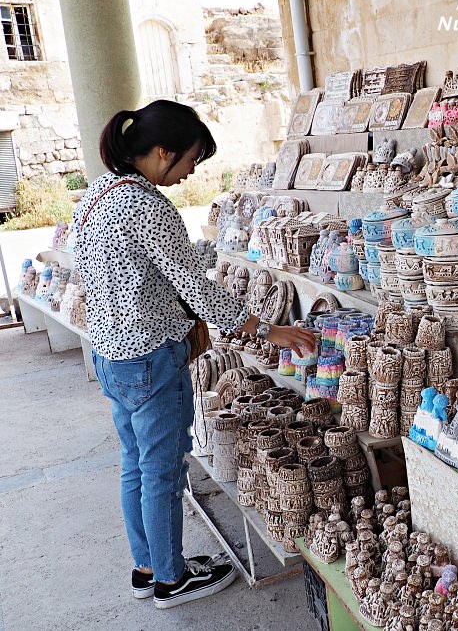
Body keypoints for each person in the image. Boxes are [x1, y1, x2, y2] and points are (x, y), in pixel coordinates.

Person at [74, 100, 315, 609]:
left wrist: (218, 248)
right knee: (162, 469)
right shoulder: (145, 204)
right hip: (148, 358)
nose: (189, 174)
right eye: (190, 162)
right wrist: (265, 330)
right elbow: (191, 284)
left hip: (112, 355)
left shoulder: (100, 194)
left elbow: (153, 260)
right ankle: (171, 580)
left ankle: (151, 566)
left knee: (136, 463)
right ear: (164, 153)